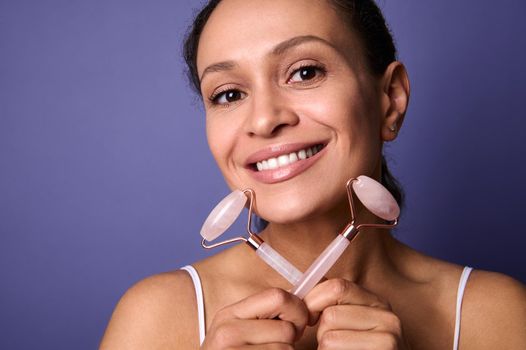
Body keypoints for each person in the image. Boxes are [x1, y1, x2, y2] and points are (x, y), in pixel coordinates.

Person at [100, 0, 526, 348]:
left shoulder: (494, 316)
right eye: (229, 93)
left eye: (305, 72)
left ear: (390, 100)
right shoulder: (156, 320)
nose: (264, 119)